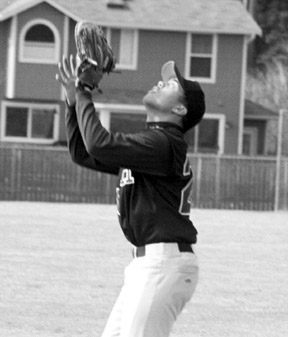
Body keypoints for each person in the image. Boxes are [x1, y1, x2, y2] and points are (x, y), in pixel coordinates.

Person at [56, 55, 205, 337]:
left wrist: (84, 91)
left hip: (162, 264)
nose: (161, 82)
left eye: (171, 83)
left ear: (180, 107)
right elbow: (83, 152)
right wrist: (72, 101)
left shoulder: (163, 143)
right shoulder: (152, 144)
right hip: (148, 265)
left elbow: (98, 143)